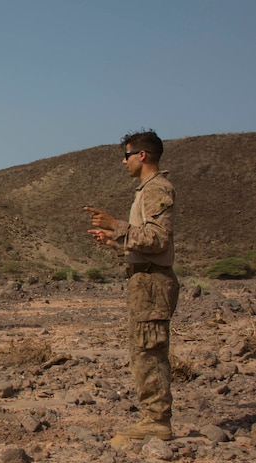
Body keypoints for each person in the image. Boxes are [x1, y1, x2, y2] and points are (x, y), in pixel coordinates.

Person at [85, 129, 178, 441]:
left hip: (152, 281)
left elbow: (158, 238)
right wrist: (113, 239)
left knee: (149, 349)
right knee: (142, 348)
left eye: (126, 155)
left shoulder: (156, 190)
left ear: (142, 155)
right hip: (144, 279)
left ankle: (157, 420)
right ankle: (153, 416)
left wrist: (116, 226)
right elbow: (143, 241)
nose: (123, 161)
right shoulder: (145, 190)